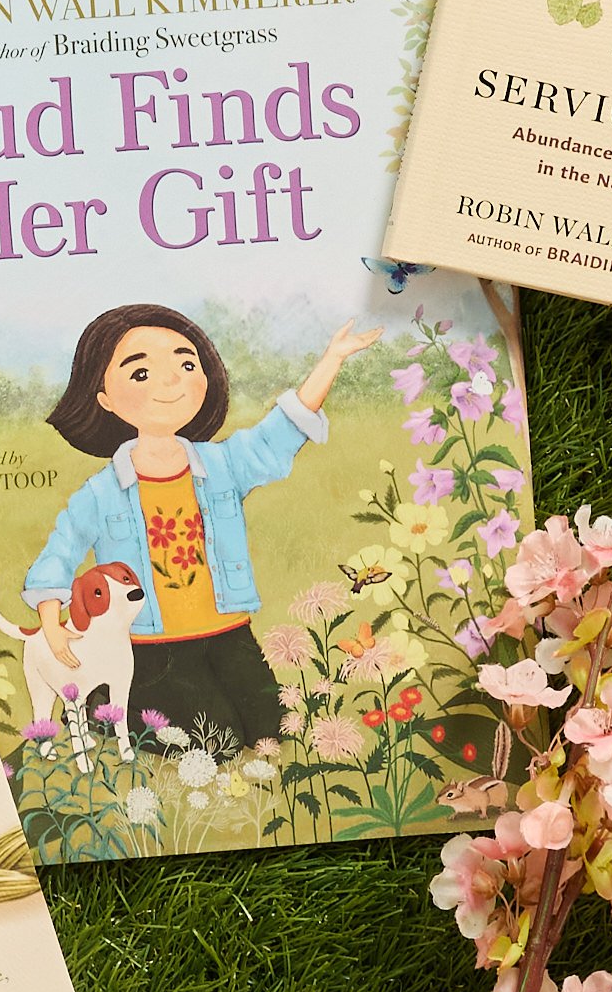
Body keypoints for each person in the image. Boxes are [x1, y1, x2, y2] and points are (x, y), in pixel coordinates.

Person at [21, 302, 381, 748]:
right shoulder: (101, 492)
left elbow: (280, 433)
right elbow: (60, 551)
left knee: (274, 730)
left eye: (186, 363)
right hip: (150, 647)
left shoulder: (223, 464)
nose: (171, 381)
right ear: (104, 399)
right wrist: (51, 622)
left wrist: (333, 359)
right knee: (220, 743)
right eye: (140, 373)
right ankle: (109, 708)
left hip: (229, 633)